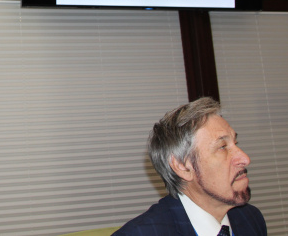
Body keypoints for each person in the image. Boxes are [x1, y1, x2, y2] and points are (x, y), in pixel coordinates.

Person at [113, 97, 266, 236]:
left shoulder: (250, 219)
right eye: (222, 147)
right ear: (182, 167)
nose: (245, 159)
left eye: (236, 143)